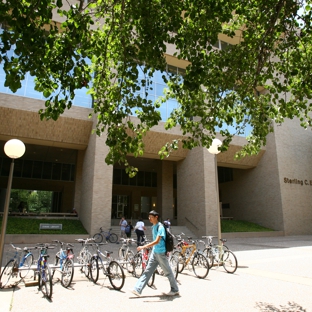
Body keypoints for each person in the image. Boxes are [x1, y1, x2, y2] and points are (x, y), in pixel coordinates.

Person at [131, 210, 179, 297]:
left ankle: (175, 289)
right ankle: (137, 289)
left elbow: (157, 241)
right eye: (149, 217)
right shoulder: (154, 226)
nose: (149, 219)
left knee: (167, 272)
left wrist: (143, 246)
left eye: (151, 217)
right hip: (155, 252)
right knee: (148, 271)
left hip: (160, 253)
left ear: (156, 217)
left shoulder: (160, 227)